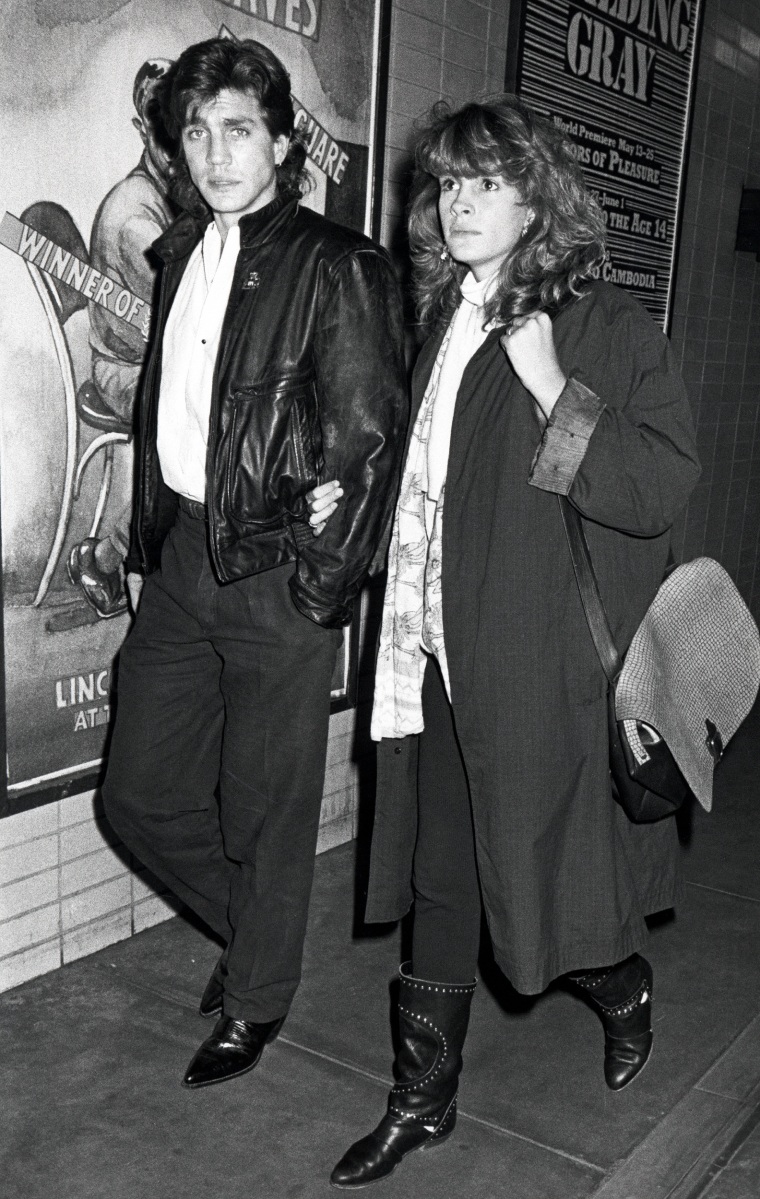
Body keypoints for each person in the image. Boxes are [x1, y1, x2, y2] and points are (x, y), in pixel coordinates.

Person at [308, 96, 700, 1189]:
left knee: (542, 888)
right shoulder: (440, 317)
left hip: (538, 672)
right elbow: (435, 482)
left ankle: (619, 985)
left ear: (539, 198)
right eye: (448, 184)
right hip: (433, 661)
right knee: (446, 882)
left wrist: (548, 384)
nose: (460, 201)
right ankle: (419, 1102)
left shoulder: (601, 325)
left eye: (486, 181)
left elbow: (657, 484)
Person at [101, 37, 406, 1090]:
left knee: (265, 802)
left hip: (279, 568)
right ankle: (258, 935)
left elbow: (367, 445)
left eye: (238, 128)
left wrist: (317, 584)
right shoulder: (182, 249)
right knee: (136, 791)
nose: (217, 151)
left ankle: (258, 998)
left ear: (281, 139)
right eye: (196, 132)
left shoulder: (338, 264)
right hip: (188, 550)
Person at [67, 58, 176, 619]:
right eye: (164, 128)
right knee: (189, 421)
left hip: (146, 361)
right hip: (123, 371)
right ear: (142, 128)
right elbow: (185, 322)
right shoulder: (136, 217)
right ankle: (109, 559)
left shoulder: (164, 196)